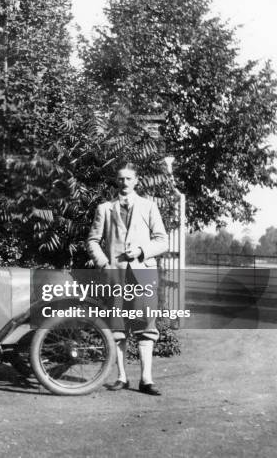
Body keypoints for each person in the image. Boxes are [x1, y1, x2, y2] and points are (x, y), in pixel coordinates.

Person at [87, 162, 168, 395]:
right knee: (117, 326)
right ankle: (122, 377)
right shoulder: (104, 209)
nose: (124, 183)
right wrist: (104, 263)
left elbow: (163, 241)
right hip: (116, 275)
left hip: (143, 274)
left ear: (137, 181)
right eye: (120, 179)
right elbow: (92, 240)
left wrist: (142, 251)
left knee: (145, 326)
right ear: (116, 181)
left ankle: (146, 379)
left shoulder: (149, 207)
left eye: (129, 179)